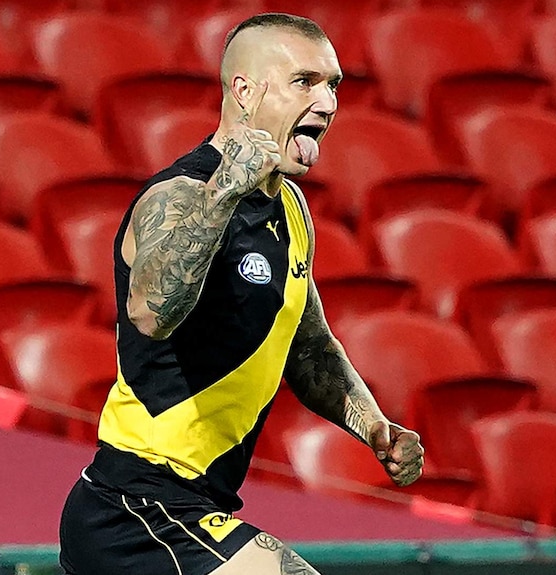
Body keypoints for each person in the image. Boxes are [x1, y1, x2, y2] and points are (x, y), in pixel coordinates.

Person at [59, 12, 425, 575]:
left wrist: (372, 426)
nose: (327, 104)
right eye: (305, 82)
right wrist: (228, 187)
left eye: (333, 85)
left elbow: (308, 348)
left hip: (193, 506)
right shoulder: (177, 194)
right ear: (245, 91)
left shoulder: (292, 210)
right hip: (135, 507)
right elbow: (151, 313)